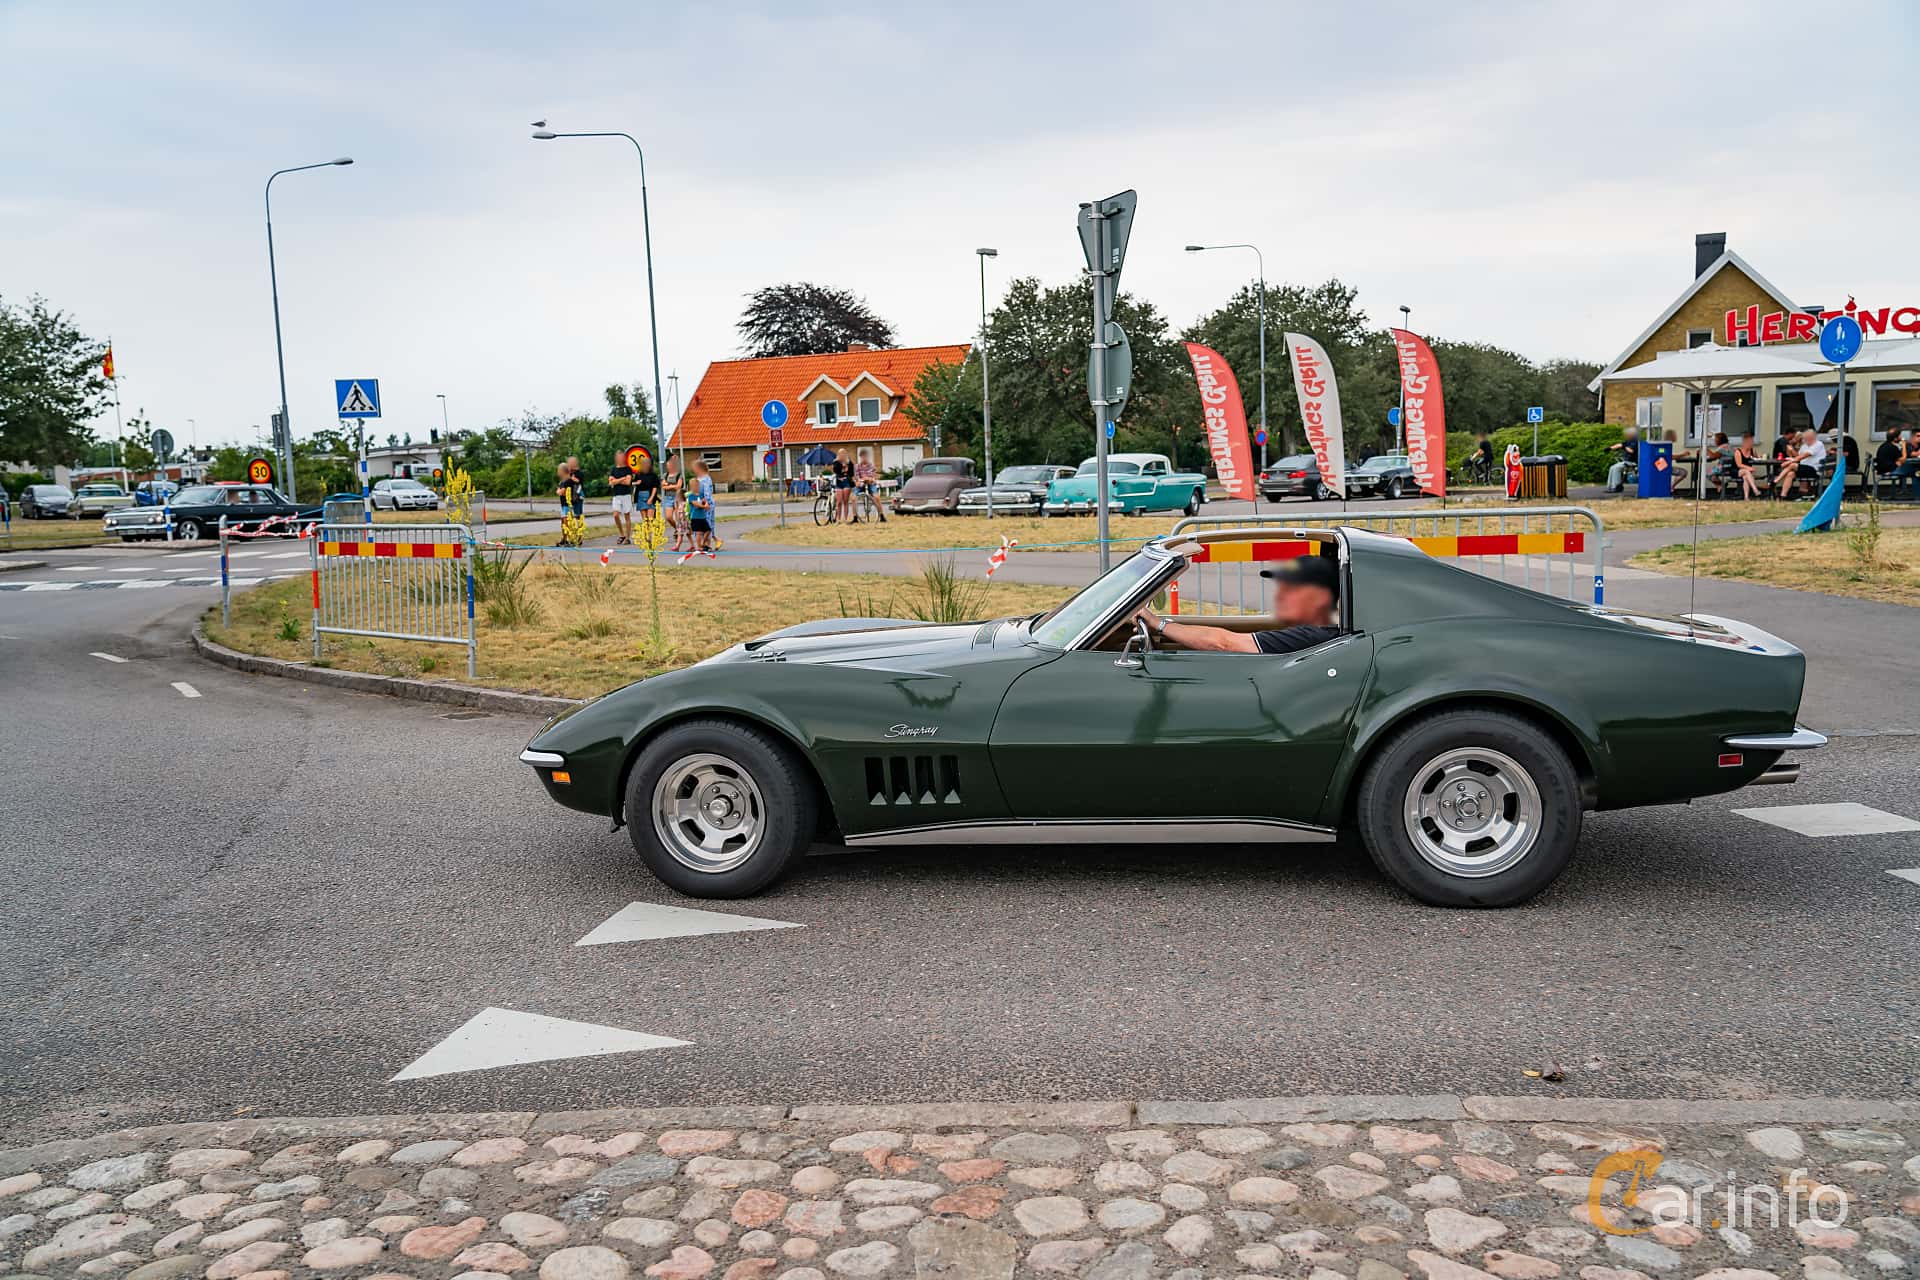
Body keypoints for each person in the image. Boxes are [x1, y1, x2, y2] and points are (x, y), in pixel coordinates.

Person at [1134, 555, 1341, 655]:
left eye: (1291, 589)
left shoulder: (1315, 637)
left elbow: (1223, 643)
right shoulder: (1320, 629)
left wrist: (1157, 623)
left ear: (1320, 598)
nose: (1280, 595)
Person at [1776, 428, 1827, 496]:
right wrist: (1791, 450)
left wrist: (1789, 462)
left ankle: (1776, 480)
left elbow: (1804, 455)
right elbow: (1798, 455)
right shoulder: (1805, 445)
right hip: (1804, 469)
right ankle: (1783, 496)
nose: (1805, 440)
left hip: (1814, 469)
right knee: (1790, 474)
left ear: (1812, 437)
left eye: (1806, 438)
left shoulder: (1818, 444)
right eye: (1805, 438)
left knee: (1793, 465)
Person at [687, 458, 716, 557]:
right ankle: (703, 544)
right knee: (706, 525)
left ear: (699, 469)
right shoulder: (702, 479)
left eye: (694, 469)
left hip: (705, 505)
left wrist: (706, 504)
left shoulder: (704, 480)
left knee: (705, 524)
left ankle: (706, 544)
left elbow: (707, 493)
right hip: (702, 504)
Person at [631, 451, 662, 538]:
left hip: (650, 496)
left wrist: (651, 498)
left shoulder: (653, 475)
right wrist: (636, 483)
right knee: (645, 519)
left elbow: (655, 487)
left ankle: (653, 534)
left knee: (650, 517)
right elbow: (632, 483)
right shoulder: (638, 475)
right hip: (640, 496)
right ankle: (647, 535)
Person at [608, 454, 636, 545]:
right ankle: (621, 534)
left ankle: (628, 537)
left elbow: (628, 482)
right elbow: (611, 482)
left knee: (626, 516)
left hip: (626, 495)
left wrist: (616, 481)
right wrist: (622, 479)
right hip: (616, 495)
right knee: (615, 515)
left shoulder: (628, 469)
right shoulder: (613, 470)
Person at [853, 449, 885, 522]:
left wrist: (868, 479)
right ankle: (855, 517)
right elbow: (856, 477)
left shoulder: (871, 466)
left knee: (877, 497)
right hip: (861, 484)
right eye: (862, 457)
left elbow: (872, 477)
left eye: (865, 456)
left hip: (870, 484)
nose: (864, 458)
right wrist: (858, 481)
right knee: (853, 498)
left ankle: (882, 515)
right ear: (860, 457)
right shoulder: (857, 466)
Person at [1605, 426, 1640, 492]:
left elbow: (1631, 451)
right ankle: (1610, 487)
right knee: (1612, 467)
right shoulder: (1628, 441)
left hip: (1632, 462)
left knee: (1616, 468)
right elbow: (1619, 445)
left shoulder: (1635, 442)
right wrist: (1610, 448)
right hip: (1626, 461)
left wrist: (1624, 447)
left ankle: (1616, 487)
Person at [1732, 435, 1761, 500]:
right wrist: (1749, 468)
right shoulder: (1738, 451)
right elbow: (1739, 464)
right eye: (1750, 442)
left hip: (1746, 472)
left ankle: (1746, 497)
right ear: (1744, 443)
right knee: (1746, 471)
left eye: (1752, 442)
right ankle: (1755, 489)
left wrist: (1759, 456)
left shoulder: (1752, 450)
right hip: (1736, 471)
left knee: (1745, 477)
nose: (1751, 444)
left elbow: (1757, 457)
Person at [831, 448, 855, 524]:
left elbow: (851, 473)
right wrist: (842, 465)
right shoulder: (836, 462)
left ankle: (845, 519)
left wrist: (846, 467)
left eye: (843, 453)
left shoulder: (849, 462)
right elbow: (835, 470)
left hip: (846, 482)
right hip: (839, 482)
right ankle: (838, 519)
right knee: (839, 502)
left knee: (845, 501)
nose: (842, 455)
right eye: (840, 453)